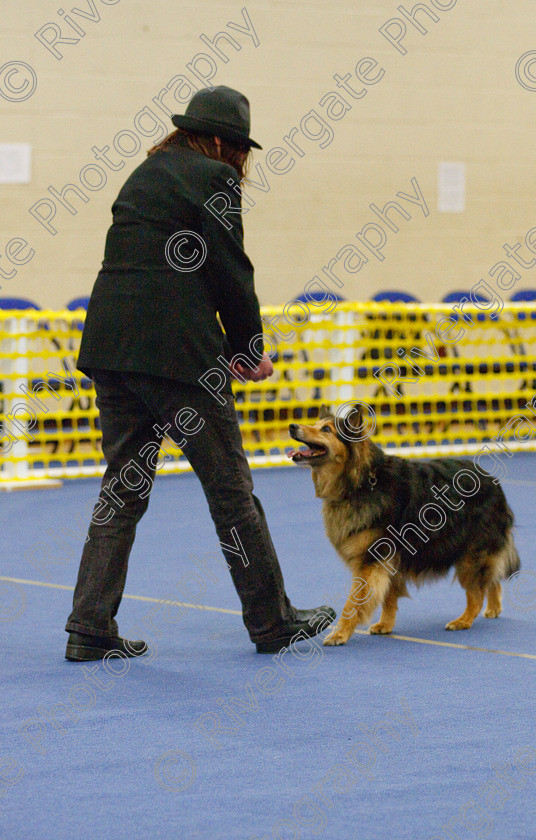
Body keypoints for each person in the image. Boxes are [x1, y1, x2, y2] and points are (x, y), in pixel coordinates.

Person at [64, 85, 336, 660]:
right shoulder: (214, 179)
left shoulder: (146, 173)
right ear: (219, 141)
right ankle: (272, 621)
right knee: (230, 492)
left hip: (112, 350)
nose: (242, 161)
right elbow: (231, 270)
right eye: (239, 149)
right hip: (177, 357)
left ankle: (89, 627)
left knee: (122, 487)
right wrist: (249, 348)